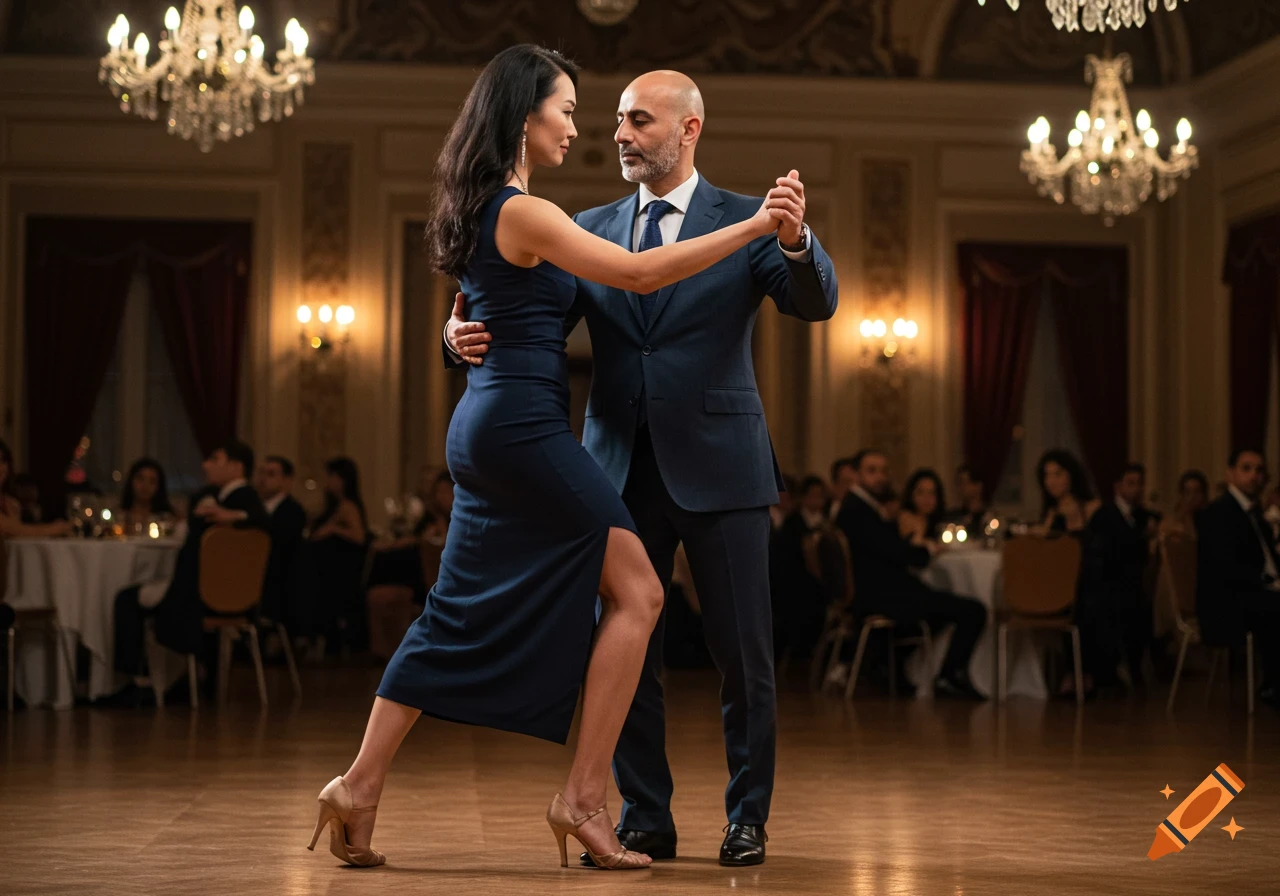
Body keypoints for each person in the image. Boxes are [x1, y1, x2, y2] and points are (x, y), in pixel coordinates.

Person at [313, 46, 803, 872]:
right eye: (569, 110)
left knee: (453, 611)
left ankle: (357, 786)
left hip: (496, 425)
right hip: (524, 433)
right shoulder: (528, 212)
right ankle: (582, 800)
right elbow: (638, 277)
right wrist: (756, 224)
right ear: (524, 115)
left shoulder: (499, 208)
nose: (585, 129)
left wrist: (452, 331)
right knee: (640, 593)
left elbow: (493, 303)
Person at [440, 65, 836, 869]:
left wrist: (795, 239)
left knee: (744, 655)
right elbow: (522, 316)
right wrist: (453, 340)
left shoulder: (747, 218)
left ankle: (747, 818)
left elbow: (815, 301)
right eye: (617, 118)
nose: (618, 134)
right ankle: (645, 816)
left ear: (689, 129)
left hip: (723, 468)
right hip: (614, 469)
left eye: (638, 121)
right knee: (626, 648)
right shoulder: (586, 225)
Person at [835, 451, 987, 699]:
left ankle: (889, 666)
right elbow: (893, 552)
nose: (880, 477)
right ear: (857, 475)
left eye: (884, 471)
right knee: (973, 611)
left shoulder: (861, 508)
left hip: (879, 593)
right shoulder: (857, 510)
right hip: (881, 597)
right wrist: (927, 551)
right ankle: (948, 675)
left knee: (940, 608)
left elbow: (887, 550)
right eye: (872, 471)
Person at [1196, 448, 1280, 710]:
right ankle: (1274, 685)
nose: (1254, 475)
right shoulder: (1218, 513)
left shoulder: (1257, 515)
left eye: (1259, 470)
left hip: (1255, 594)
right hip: (1228, 603)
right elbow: (1226, 569)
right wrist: (1270, 582)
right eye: (1246, 468)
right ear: (1230, 474)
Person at [1090, 463, 1159, 688]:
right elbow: (1109, 552)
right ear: (1117, 486)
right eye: (1131, 483)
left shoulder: (1142, 515)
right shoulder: (1105, 515)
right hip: (1109, 585)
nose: (1136, 489)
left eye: (1140, 483)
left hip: (1135, 585)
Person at [298, 457, 370, 657]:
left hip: (341, 576)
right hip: (330, 572)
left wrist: (334, 529)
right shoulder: (334, 506)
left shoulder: (348, 506)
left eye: (331, 476)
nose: (327, 481)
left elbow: (359, 536)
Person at [769, 475, 831, 664]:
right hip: (795, 587)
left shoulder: (827, 522)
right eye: (812, 495)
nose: (816, 500)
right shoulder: (793, 523)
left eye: (820, 495)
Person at [255, 455, 307, 628]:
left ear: (287, 480)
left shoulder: (293, 511)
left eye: (271, 474)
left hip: (279, 586)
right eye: (261, 473)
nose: (263, 479)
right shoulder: (256, 508)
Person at [0, 439, 71, 538]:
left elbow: (17, 536)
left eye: (3, 460)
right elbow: (12, 530)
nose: (1, 467)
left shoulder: (10, 504)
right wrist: (54, 529)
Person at [120, 458, 175, 529]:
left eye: (152, 481)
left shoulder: (168, 520)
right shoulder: (119, 517)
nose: (145, 486)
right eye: (140, 479)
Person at [900, 468, 947, 543]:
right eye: (920, 493)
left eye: (931, 493)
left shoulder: (942, 524)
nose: (926, 498)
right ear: (911, 495)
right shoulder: (905, 519)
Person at [1160, 470, 1209, 538]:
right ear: (1181, 495)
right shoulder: (1171, 524)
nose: (1192, 497)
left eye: (1196, 492)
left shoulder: (1212, 522)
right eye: (1187, 492)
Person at [950, 464, 989, 533]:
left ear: (978, 486)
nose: (960, 488)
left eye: (964, 482)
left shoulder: (989, 517)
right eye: (958, 483)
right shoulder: (953, 517)